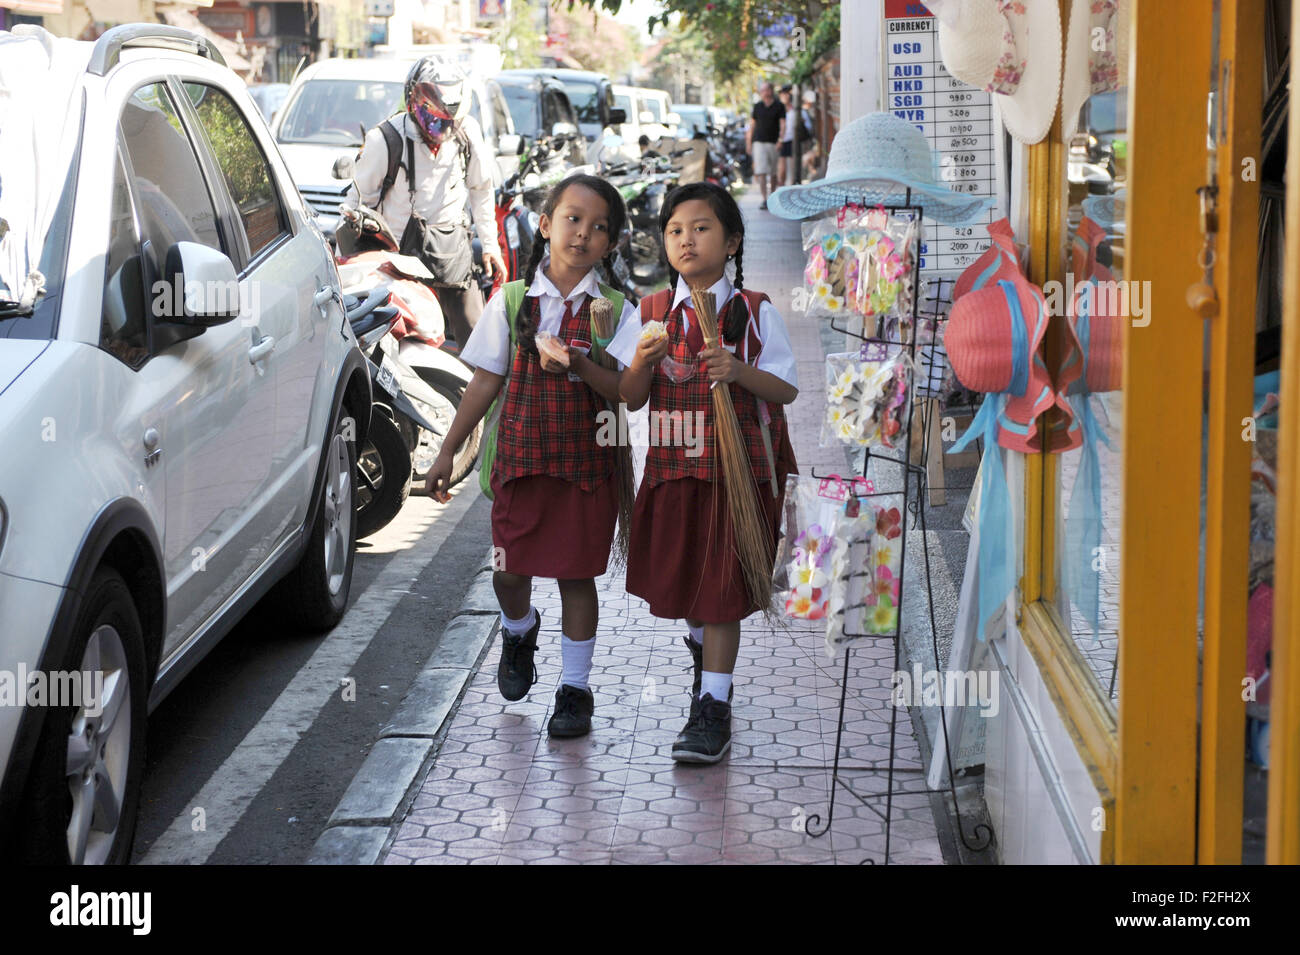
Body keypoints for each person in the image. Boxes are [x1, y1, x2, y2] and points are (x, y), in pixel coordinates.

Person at [424, 175, 637, 738]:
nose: (583, 233)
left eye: (598, 227)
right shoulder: (513, 301)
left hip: (588, 473)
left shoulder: (614, 310)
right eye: (572, 218)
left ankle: (575, 689)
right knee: (508, 573)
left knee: (576, 577)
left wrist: (579, 364)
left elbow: (628, 393)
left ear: (610, 245)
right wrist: (449, 451)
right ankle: (518, 628)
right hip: (519, 465)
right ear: (544, 226)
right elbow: (485, 381)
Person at [608, 182, 800, 763]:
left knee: (720, 593)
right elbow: (631, 398)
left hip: (738, 477)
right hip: (674, 476)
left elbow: (786, 388)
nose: (686, 239)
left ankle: (713, 705)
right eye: (674, 231)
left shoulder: (754, 311)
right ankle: (705, 667)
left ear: (733, 240)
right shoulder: (649, 314)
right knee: (693, 587)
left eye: (701, 227)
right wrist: (642, 358)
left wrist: (738, 370)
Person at [343, 57, 505, 348]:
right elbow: (358, 204)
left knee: (480, 343)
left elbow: (481, 189)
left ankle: (481, 392)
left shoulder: (467, 132)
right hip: (400, 258)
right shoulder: (384, 140)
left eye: (448, 122)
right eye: (433, 119)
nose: (441, 131)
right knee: (394, 342)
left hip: (450, 251)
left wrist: (490, 246)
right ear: (412, 103)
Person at [746, 81, 785, 210]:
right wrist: (749, 142)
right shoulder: (757, 106)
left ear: (770, 91)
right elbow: (752, 125)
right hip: (759, 142)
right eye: (761, 91)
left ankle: (772, 196)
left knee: (773, 172)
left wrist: (780, 140)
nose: (763, 93)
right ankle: (764, 199)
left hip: (773, 142)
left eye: (765, 90)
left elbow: (783, 125)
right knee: (761, 171)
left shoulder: (779, 106)